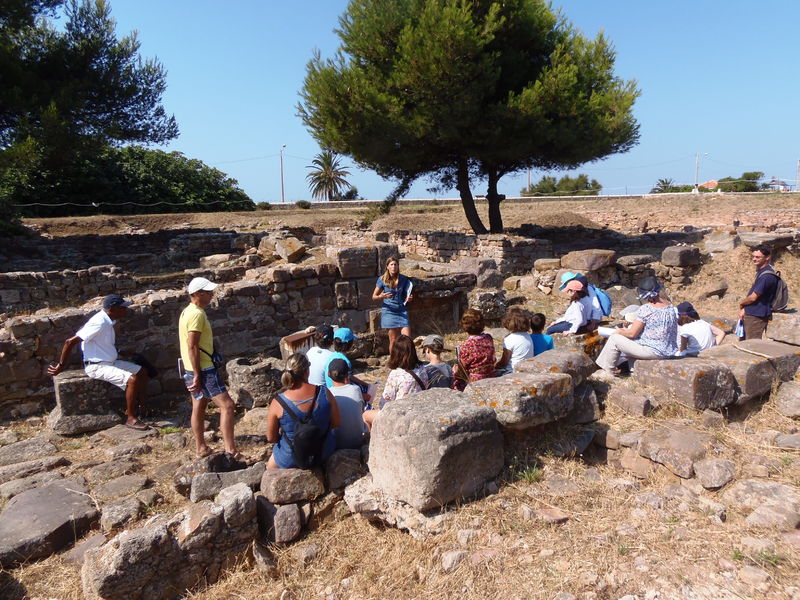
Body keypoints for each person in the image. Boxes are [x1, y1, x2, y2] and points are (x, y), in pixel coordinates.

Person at [48, 294, 151, 430]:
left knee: (142, 372)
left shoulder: (108, 321)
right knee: (132, 380)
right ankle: (131, 419)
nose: (125, 310)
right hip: (97, 366)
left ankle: (143, 409)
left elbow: (102, 344)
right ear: (112, 309)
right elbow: (70, 342)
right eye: (122, 308)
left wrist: (119, 352)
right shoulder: (99, 322)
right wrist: (61, 366)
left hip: (110, 362)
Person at [178, 277, 240, 459]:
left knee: (199, 404)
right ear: (197, 294)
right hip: (203, 369)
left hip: (191, 367)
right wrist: (198, 374)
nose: (212, 294)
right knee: (227, 406)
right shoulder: (196, 314)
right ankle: (231, 450)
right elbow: (192, 346)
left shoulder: (188, 311)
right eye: (208, 292)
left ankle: (201, 447)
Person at [266, 353, 340, 469]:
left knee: (270, 465)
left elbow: (271, 438)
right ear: (307, 371)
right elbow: (336, 423)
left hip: (291, 457)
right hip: (323, 451)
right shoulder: (324, 392)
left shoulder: (278, 402)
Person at [596, 276, 678, 375]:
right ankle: (632, 370)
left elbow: (632, 334)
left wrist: (620, 331)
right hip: (668, 349)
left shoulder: (646, 309)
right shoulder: (670, 306)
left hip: (654, 351)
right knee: (633, 341)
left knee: (614, 339)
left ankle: (607, 371)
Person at [362, 334, 428, 428]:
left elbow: (384, 402)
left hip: (399, 414)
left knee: (366, 415)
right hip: (418, 411)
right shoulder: (422, 369)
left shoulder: (396, 374)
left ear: (395, 353)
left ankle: (375, 441)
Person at [372, 255, 413, 354]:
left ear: (398, 266)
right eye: (391, 264)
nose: (394, 267)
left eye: (395, 264)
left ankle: (407, 361)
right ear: (387, 267)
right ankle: (393, 362)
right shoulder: (382, 279)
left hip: (401, 310)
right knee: (393, 340)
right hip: (389, 311)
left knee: (407, 339)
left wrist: (409, 298)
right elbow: (374, 296)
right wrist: (382, 296)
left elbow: (407, 293)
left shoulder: (404, 279)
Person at [738, 244, 779, 340]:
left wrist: (741, 303)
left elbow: (753, 297)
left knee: (751, 344)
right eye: (753, 256)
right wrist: (745, 309)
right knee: (744, 343)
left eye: (757, 257)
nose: (754, 259)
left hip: (757, 316)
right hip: (752, 312)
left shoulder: (766, 276)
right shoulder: (762, 272)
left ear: (767, 257)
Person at [327, 358, 369, 449]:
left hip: (337, 444)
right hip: (357, 441)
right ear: (347, 374)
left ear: (328, 375)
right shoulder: (356, 389)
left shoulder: (328, 394)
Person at [453, 309, 496, 391]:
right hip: (491, 376)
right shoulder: (488, 338)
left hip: (475, 381)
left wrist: (455, 371)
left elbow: (462, 368)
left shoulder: (467, 345)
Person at [495, 307, 534, 373]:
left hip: (512, 371)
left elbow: (504, 362)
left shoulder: (509, 339)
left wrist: (495, 366)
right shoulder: (528, 336)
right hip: (526, 370)